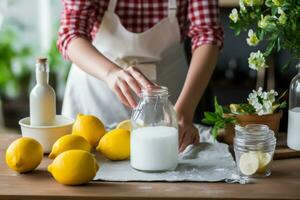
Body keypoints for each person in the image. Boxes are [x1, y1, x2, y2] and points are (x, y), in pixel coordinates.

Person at [58, 0, 223, 151]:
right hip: (96, 89)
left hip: (169, 96)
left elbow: (207, 35)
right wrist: (110, 73)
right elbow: (71, 33)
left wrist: (183, 111)